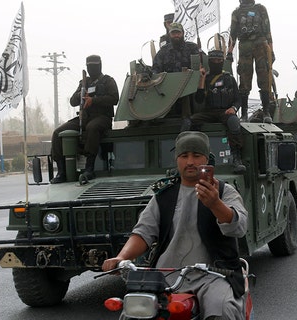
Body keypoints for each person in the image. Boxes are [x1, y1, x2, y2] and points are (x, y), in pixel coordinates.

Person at [102, 131, 248, 320]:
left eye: (196, 156)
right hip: (166, 276)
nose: (190, 162)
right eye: (184, 156)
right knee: (132, 313)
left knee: (221, 310)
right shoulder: (163, 195)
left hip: (213, 275)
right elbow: (143, 232)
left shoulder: (224, 191)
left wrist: (215, 204)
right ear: (176, 160)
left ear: (207, 160)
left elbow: (239, 226)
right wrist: (121, 257)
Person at [50, 55, 119, 184]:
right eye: (89, 66)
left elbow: (114, 98)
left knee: (92, 128)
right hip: (84, 117)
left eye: (94, 66)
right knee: (58, 132)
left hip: (102, 118)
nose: (91, 69)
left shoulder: (108, 81)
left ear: (100, 65)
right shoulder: (83, 83)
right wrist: (81, 94)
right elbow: (72, 101)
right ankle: (61, 171)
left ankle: (89, 167)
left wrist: (94, 100)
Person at [192, 50, 246, 173]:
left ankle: (237, 158)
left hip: (225, 112)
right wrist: (201, 80)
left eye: (219, 61)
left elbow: (238, 99)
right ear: (209, 62)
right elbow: (199, 100)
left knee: (234, 122)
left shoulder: (229, 79)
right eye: (213, 61)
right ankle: (190, 154)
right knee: (190, 121)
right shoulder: (205, 78)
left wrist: (234, 108)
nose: (216, 63)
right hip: (209, 112)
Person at [228, 0, 274, 123]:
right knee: (244, 79)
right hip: (245, 46)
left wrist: (271, 51)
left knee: (264, 77)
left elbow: (267, 30)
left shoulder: (261, 9)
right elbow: (232, 35)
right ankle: (244, 114)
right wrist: (229, 52)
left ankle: (266, 112)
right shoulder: (236, 12)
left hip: (261, 45)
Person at [152, 22, 201, 131]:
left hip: (189, 87)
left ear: (183, 33)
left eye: (178, 33)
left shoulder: (192, 48)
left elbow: (200, 65)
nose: (176, 36)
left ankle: (186, 119)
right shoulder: (164, 51)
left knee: (185, 91)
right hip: (169, 87)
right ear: (169, 35)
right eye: (173, 33)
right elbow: (156, 68)